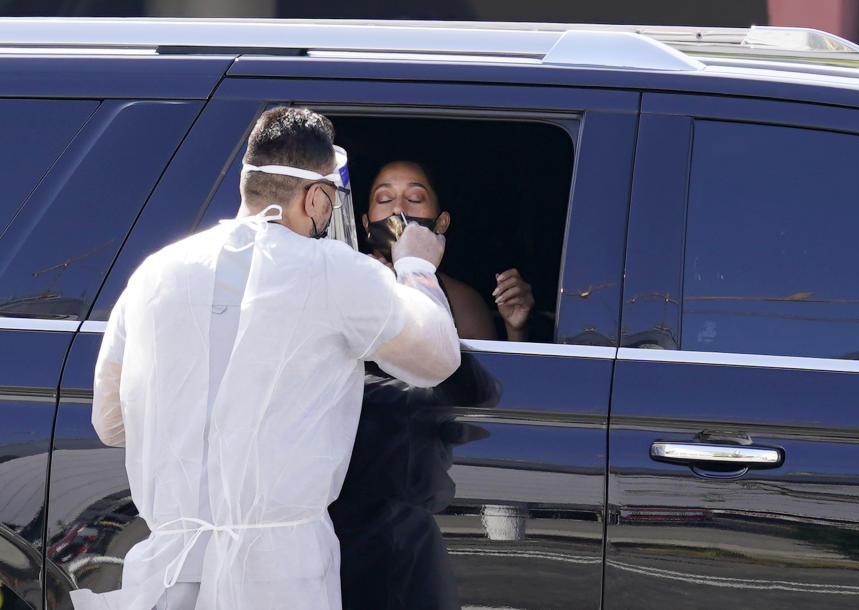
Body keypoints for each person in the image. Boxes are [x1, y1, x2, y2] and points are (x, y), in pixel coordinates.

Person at [69, 107, 461, 610]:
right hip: (280, 577)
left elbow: (110, 422)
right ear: (318, 196)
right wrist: (415, 266)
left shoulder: (154, 273)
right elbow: (437, 358)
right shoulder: (332, 271)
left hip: (166, 573)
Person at [363, 161, 535, 341]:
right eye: (385, 199)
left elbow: (490, 369)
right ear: (366, 223)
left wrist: (516, 331)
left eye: (415, 198)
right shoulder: (344, 281)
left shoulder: (463, 303)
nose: (398, 209)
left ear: (441, 223)